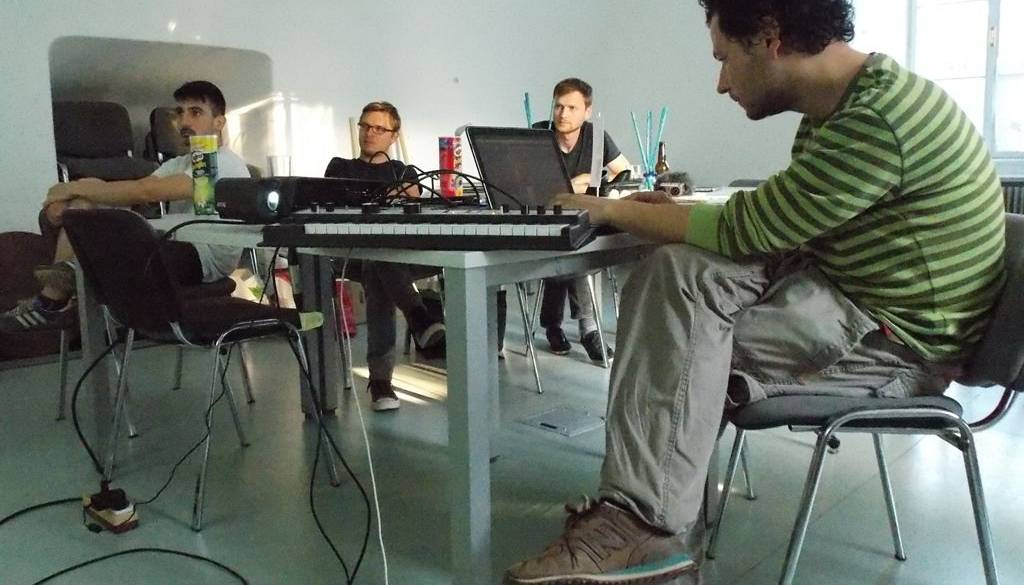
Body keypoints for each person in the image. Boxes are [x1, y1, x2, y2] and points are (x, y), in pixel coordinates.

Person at [503, 1, 1007, 583]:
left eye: (724, 59)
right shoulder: (843, 108)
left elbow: (750, 228)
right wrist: (667, 214)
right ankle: (648, 522)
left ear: (770, 37)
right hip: (840, 295)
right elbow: (783, 220)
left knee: (677, 341)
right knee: (675, 272)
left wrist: (609, 209)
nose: (721, 83)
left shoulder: (879, 119)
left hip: (896, 345)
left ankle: (642, 528)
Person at [1, 80, 250, 333]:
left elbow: (146, 192)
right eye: (180, 112)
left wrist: (73, 188)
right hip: (173, 242)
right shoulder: (181, 163)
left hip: (203, 258)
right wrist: (73, 198)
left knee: (104, 241)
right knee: (82, 205)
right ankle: (62, 288)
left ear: (219, 122)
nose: (184, 121)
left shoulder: (221, 161)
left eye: (195, 112)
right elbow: (134, 189)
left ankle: (55, 298)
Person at [324, 101, 445, 412]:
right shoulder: (340, 167)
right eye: (365, 126)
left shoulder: (404, 171)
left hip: (401, 256)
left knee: (380, 262)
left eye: (379, 128)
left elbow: (413, 196)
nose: (370, 133)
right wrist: (389, 194)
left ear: (393, 135)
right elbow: (339, 196)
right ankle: (418, 318)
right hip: (350, 254)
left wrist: (382, 196)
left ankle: (381, 382)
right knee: (377, 261)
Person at [532, 78, 629, 361]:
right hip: (543, 220)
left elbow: (623, 171)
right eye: (558, 106)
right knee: (573, 247)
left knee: (576, 245)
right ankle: (588, 329)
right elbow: (526, 184)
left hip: (582, 221)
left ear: (587, 111)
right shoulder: (539, 135)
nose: (563, 114)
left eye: (572, 108)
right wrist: (570, 187)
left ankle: (556, 325)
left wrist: (599, 184)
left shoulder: (596, 136)